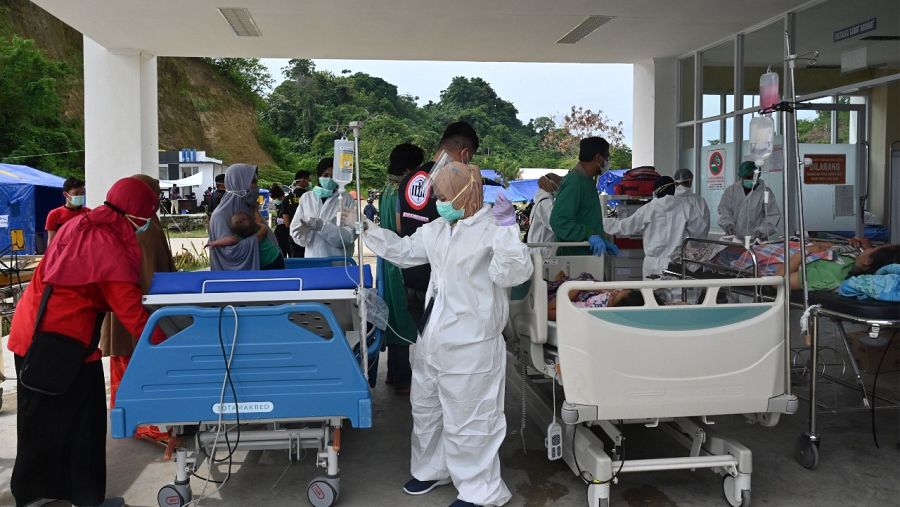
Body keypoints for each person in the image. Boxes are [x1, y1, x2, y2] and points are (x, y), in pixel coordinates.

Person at [357, 161, 532, 507]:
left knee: (471, 418)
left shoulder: (493, 229)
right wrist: (364, 228)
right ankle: (432, 469)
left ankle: (480, 490)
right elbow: (404, 251)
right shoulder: (439, 228)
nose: (437, 202)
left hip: (471, 343)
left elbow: (512, 274)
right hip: (433, 338)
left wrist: (509, 232)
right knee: (427, 410)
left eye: (442, 195)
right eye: (436, 196)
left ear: (467, 193)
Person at [7, 176, 165, 507]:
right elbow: (133, 313)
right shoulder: (108, 244)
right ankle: (70, 497)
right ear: (135, 212)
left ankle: (52, 495)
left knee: (51, 421)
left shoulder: (83, 223)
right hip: (59, 343)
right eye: (148, 214)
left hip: (39, 332)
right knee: (74, 424)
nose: (148, 222)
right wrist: (171, 349)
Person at [100, 174, 175, 441]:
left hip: (131, 308)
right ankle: (142, 422)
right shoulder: (143, 228)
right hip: (137, 309)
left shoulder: (140, 225)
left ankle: (130, 418)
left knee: (127, 364)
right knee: (136, 364)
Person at [397, 121, 479, 332]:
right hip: (442, 284)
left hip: (411, 276)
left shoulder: (407, 180)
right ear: (464, 153)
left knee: (424, 338)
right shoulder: (454, 183)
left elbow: (399, 225)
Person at [380, 143, 425, 395]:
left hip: (386, 259)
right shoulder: (403, 190)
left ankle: (394, 373)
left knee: (392, 315)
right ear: (410, 168)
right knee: (403, 316)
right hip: (400, 259)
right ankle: (402, 379)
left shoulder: (386, 188)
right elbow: (400, 227)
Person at [604, 175, 711, 279]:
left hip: (653, 265)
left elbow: (625, 226)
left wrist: (601, 223)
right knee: (676, 291)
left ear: (655, 192)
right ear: (673, 189)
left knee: (652, 291)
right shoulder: (687, 207)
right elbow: (700, 232)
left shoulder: (648, 209)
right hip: (676, 264)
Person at [549, 137, 619, 257]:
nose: (607, 161)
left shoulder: (587, 181)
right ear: (598, 157)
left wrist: (601, 239)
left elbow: (587, 218)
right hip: (574, 258)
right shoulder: (574, 182)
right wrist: (588, 235)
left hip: (588, 256)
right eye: (607, 157)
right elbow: (559, 221)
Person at [208, 164, 279, 271]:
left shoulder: (249, 207)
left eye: (256, 182)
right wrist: (258, 236)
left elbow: (266, 233)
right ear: (238, 184)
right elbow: (229, 252)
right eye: (253, 182)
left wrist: (256, 211)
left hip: (269, 264)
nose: (256, 187)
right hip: (241, 277)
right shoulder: (220, 215)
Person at [290, 157, 357, 259]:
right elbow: (296, 232)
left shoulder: (346, 199)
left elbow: (350, 235)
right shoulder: (307, 198)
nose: (329, 179)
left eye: (333, 176)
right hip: (313, 258)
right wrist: (302, 232)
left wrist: (323, 227)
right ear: (319, 176)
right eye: (325, 175)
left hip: (338, 260)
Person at [776, 239, 899, 290]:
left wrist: (806, 251)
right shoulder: (853, 262)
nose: (868, 248)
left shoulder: (830, 275)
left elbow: (779, 282)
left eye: (873, 248)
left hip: (775, 258)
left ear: (868, 261)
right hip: (785, 245)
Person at [718, 161, 781, 241]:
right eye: (747, 177)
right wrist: (728, 225)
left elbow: (772, 215)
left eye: (753, 176)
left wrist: (762, 230)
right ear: (741, 176)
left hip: (757, 239)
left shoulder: (765, 192)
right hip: (734, 238)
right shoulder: (731, 191)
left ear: (758, 176)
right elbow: (724, 211)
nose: (751, 179)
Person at [207, 211, 284, 270]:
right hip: (276, 257)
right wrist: (257, 221)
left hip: (266, 262)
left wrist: (215, 243)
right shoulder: (259, 234)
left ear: (234, 231)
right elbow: (264, 226)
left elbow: (230, 240)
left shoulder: (239, 238)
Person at [46, 176, 90, 244]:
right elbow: (51, 240)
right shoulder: (54, 214)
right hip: (63, 250)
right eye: (76, 193)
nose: (80, 196)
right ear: (66, 194)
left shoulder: (88, 213)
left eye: (82, 193)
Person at [527, 173, 562, 257]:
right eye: (559, 185)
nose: (559, 188)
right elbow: (555, 225)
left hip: (539, 249)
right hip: (542, 251)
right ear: (551, 184)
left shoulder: (541, 200)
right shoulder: (545, 202)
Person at [269, 184, 293, 257]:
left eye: (276, 198)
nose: (275, 200)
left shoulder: (288, 202)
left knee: (290, 252)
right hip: (280, 231)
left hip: (288, 231)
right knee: (281, 253)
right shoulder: (278, 203)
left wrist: (283, 221)